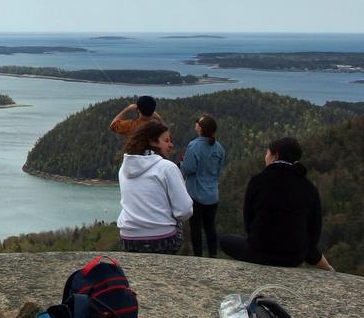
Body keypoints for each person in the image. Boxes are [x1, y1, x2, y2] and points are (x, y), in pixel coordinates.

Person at [219, 137, 334, 271]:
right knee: (297, 237)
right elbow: (314, 230)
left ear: (275, 156)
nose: (265, 157)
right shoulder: (308, 187)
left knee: (225, 240)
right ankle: (328, 268)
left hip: (260, 253)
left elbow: (248, 222)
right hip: (294, 257)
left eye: (267, 153)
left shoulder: (258, 181)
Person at [117, 121, 193, 254]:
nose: (171, 145)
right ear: (153, 142)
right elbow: (184, 210)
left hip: (127, 238)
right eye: (166, 140)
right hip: (161, 240)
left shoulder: (124, 168)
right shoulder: (167, 167)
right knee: (178, 223)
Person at [181, 114, 227, 258]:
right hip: (212, 194)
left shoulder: (194, 145)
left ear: (200, 128)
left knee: (196, 227)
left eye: (197, 123)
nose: (195, 124)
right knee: (210, 226)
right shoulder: (219, 148)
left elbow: (189, 169)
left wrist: (182, 164)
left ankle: (198, 257)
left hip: (195, 193)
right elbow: (218, 170)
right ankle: (213, 255)